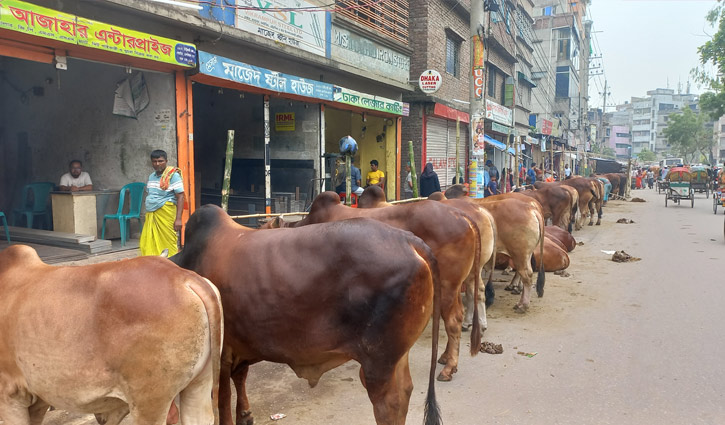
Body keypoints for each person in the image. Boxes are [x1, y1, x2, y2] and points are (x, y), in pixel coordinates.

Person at [139, 149, 185, 257]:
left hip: (166, 214)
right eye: (154, 161)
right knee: (149, 242)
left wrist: (178, 219)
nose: (157, 164)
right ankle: (154, 267)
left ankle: (172, 267)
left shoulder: (173, 176)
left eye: (160, 161)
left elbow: (181, 196)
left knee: (168, 243)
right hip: (152, 214)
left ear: (166, 161)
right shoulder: (151, 176)